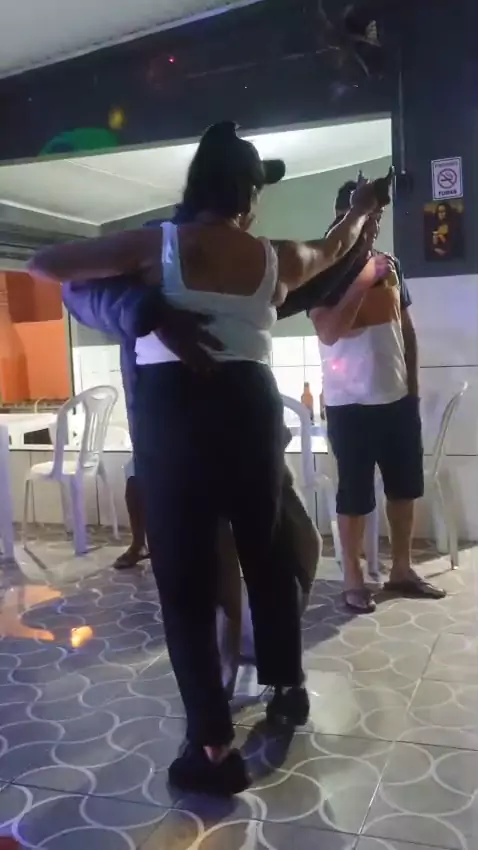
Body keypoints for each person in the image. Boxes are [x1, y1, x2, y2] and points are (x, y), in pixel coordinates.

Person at [30, 121, 382, 796]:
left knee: (186, 584)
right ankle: (288, 689)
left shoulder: (157, 245)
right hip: (250, 407)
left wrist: (144, 298)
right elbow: (336, 246)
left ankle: (214, 748)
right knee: (267, 555)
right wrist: (361, 210)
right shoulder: (275, 257)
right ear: (247, 196)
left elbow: (49, 266)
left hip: (176, 415)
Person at [309, 181, 446, 614]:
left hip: (397, 397)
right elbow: (328, 331)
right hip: (349, 404)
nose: (374, 225)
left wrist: (413, 386)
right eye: (366, 215)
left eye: (378, 217)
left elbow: (405, 328)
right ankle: (353, 577)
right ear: (343, 215)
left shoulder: (391, 264)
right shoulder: (322, 268)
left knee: (404, 488)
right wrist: (364, 279)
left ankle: (401, 570)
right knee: (354, 494)